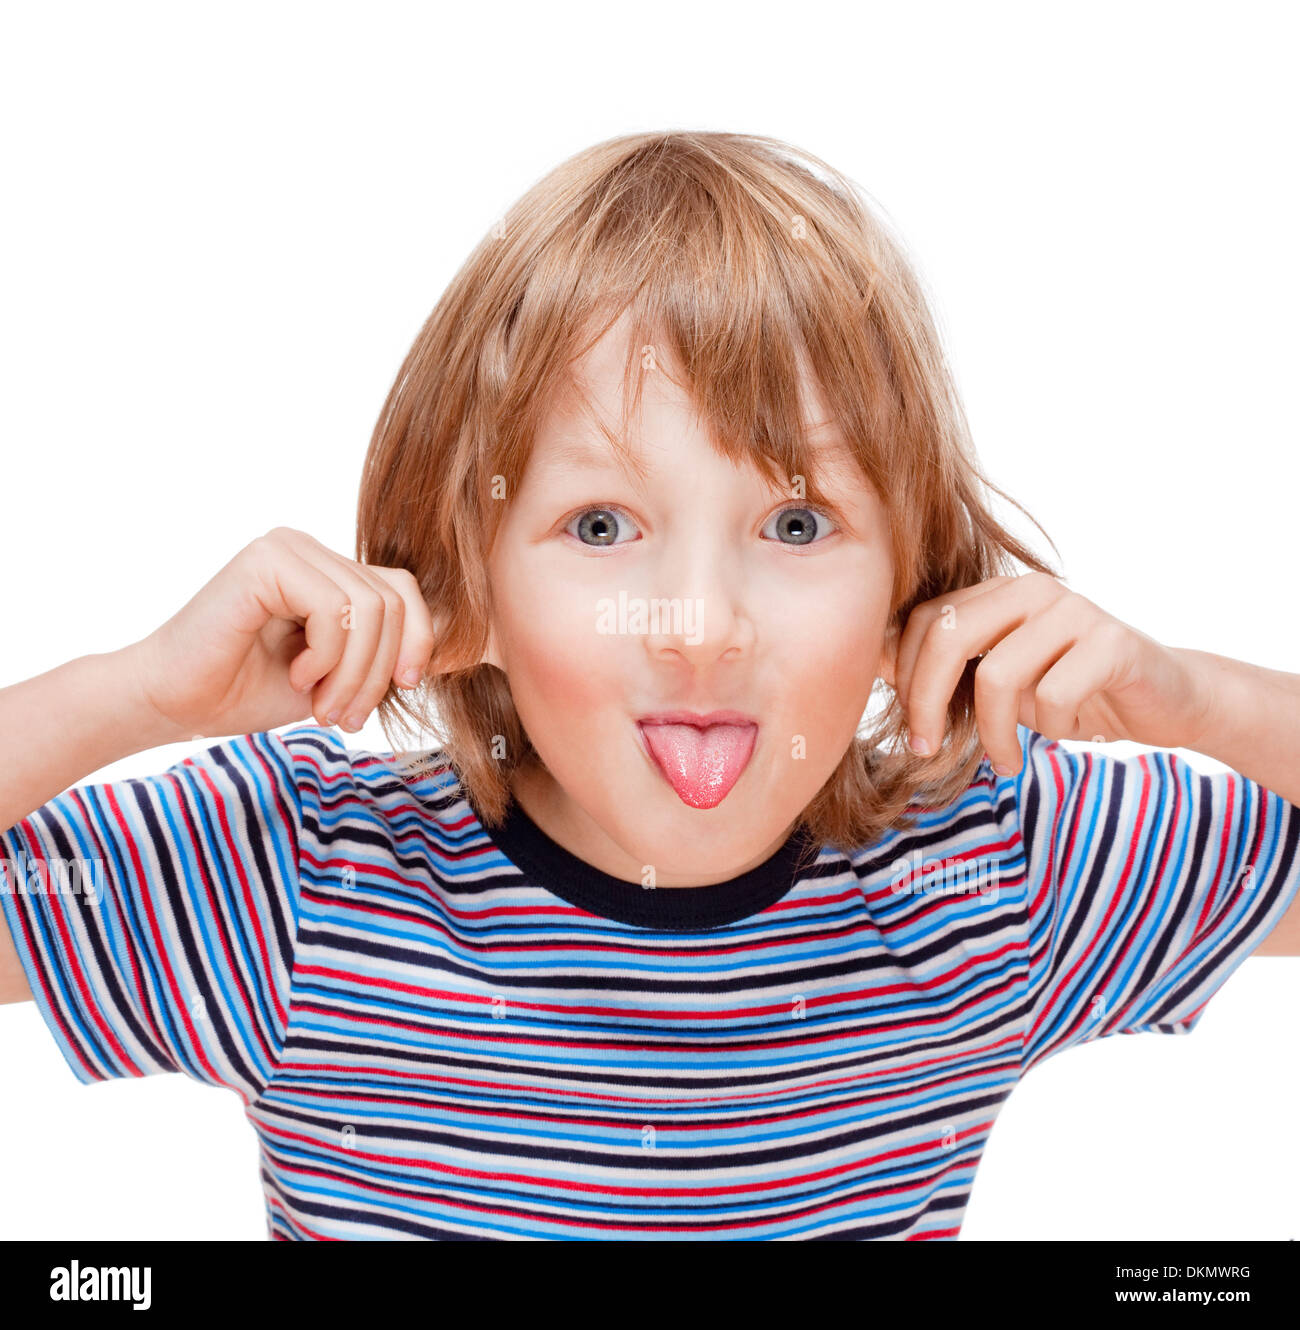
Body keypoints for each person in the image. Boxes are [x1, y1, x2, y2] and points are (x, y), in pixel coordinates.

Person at [2, 130, 1297, 1240]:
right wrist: (140, 693)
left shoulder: (993, 869)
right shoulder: (299, 882)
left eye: (795, 526)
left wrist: (1190, 700)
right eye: (603, 525)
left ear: (920, 590)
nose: (696, 626)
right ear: (467, 589)